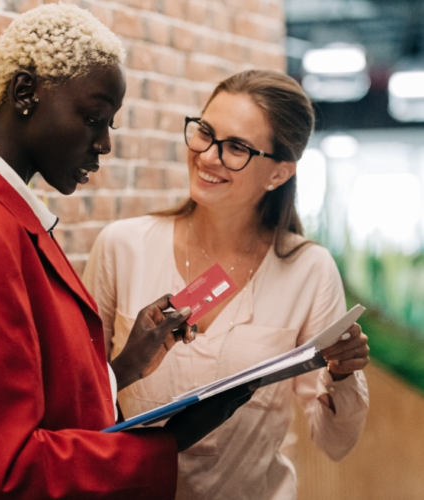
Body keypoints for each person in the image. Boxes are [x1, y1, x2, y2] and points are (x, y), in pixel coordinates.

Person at [0, 5, 254, 499]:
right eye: (94, 119)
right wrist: (171, 440)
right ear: (25, 93)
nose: (104, 145)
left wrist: (123, 367)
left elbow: (26, 403)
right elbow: (1, 471)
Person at [83, 69, 370, 500]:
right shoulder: (123, 247)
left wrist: (343, 373)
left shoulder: (308, 270)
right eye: (204, 133)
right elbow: (78, 398)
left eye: (236, 147)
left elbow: (335, 441)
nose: (208, 156)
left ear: (278, 174)